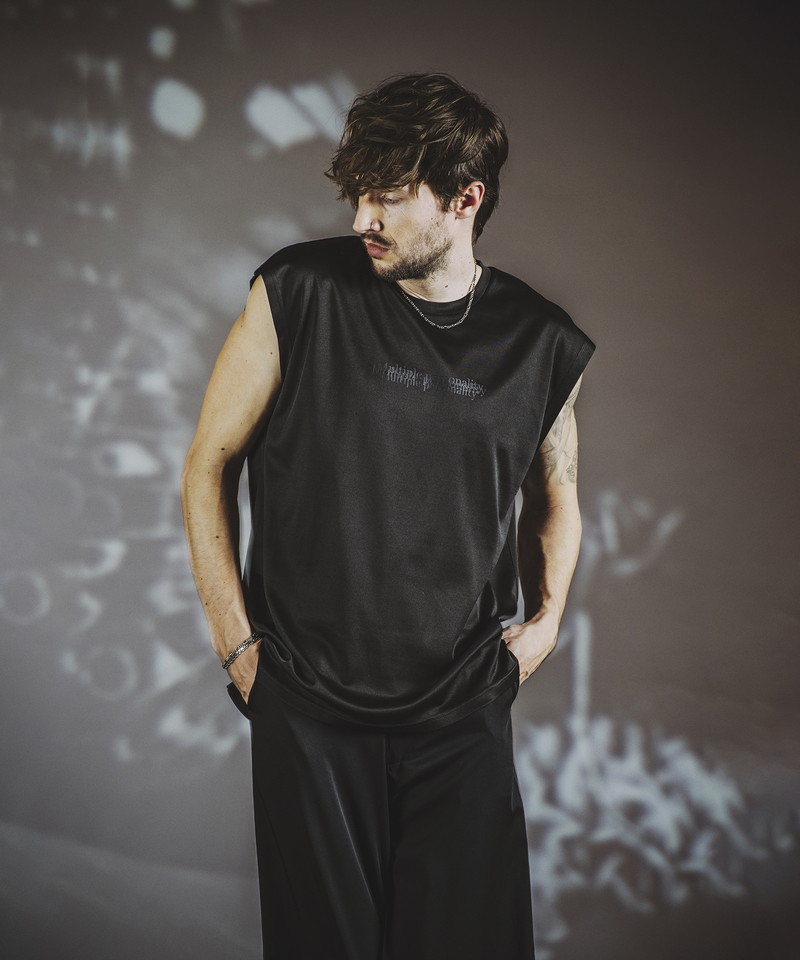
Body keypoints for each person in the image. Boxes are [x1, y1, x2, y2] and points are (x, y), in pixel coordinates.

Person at [180, 72, 595, 960]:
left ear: (464, 199)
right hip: (307, 702)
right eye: (358, 195)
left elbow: (557, 496)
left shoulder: (540, 341)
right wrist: (238, 650)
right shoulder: (297, 291)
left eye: (389, 197)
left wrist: (548, 622)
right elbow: (208, 464)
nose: (363, 218)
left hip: (460, 707)